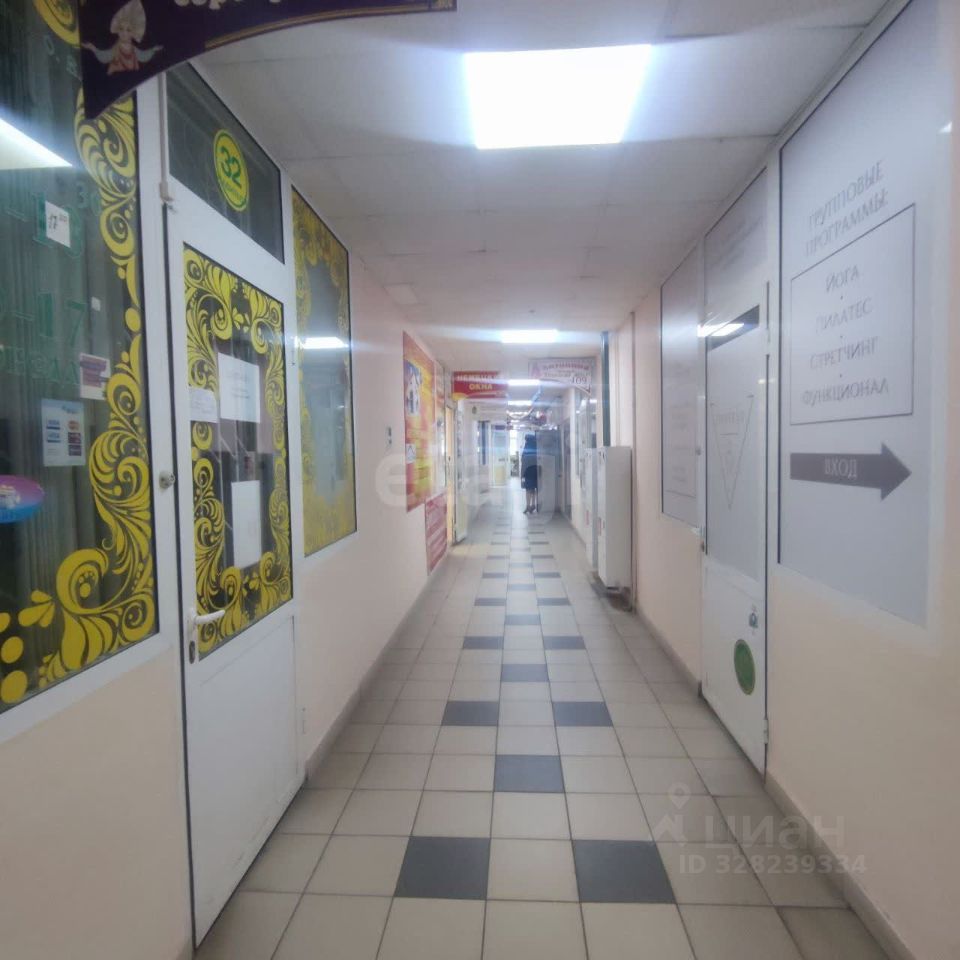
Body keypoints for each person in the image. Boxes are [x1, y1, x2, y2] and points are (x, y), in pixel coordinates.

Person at [520, 432, 539, 514]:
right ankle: (533, 505)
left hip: (528, 472)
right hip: (535, 472)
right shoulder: (536, 447)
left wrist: (522, 475)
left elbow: (523, 461)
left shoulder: (527, 448)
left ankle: (528, 506)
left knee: (528, 489)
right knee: (534, 489)